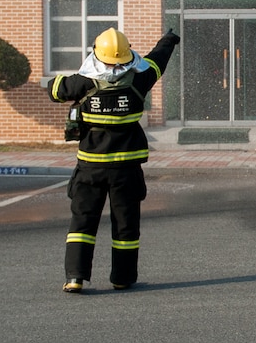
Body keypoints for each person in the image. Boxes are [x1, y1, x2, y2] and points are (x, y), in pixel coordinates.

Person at [46, 26, 179, 292]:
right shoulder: (141, 80)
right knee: (126, 224)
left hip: (90, 168)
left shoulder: (82, 84)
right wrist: (169, 40)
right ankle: (122, 277)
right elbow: (157, 59)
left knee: (82, 221)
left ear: (97, 54)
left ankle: (75, 277)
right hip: (126, 170)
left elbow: (54, 89)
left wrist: (80, 75)